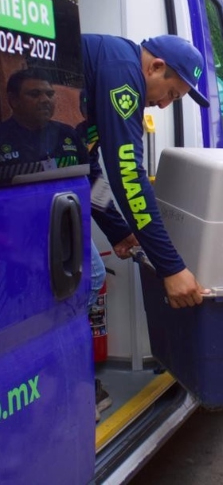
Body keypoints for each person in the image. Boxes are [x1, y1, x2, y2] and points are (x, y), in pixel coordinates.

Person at [0, 67, 140, 418]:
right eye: (34, 94)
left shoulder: (66, 137)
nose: (45, 99)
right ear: (13, 100)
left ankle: (67, 371)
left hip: (64, 231)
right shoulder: (3, 138)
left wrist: (121, 231)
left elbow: (95, 186)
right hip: (17, 240)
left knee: (90, 279)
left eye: (48, 93)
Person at [81, 33, 210, 308]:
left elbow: (85, 167)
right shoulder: (122, 71)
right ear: (156, 67)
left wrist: (117, 229)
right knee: (89, 277)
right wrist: (172, 268)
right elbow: (128, 173)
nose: (163, 105)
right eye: (171, 94)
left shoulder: (115, 63)